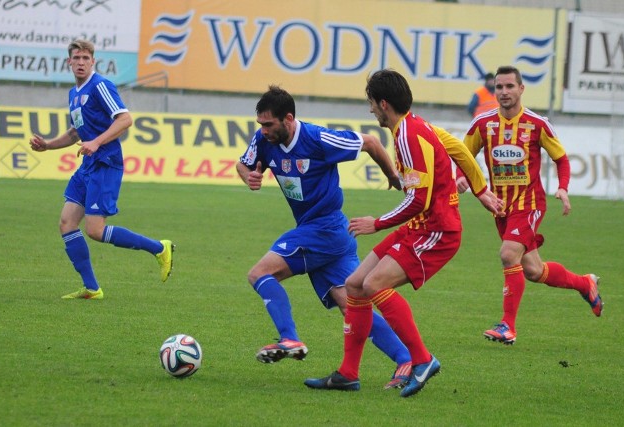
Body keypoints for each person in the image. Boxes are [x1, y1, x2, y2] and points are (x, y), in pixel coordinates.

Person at [304, 69, 502, 397]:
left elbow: (418, 199)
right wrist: (480, 191)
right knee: (354, 284)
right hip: (421, 226)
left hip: (438, 231)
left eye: (371, 103)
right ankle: (348, 374)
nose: (370, 110)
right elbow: (459, 149)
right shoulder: (414, 127)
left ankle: (422, 360)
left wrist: (377, 222)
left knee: (373, 284)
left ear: (384, 103)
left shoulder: (409, 136)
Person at [236, 85, 417, 389]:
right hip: (328, 235)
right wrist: (249, 176)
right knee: (352, 305)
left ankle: (289, 338)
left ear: (288, 119)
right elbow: (243, 163)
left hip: (325, 228)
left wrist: (391, 177)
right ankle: (405, 359)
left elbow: (371, 142)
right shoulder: (263, 140)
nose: (263, 131)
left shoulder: (318, 138)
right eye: (260, 125)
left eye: (269, 124)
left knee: (259, 273)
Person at [456, 65, 602, 345]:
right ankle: (586, 284)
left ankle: (507, 326)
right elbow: (462, 156)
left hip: (530, 203)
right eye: (499, 87)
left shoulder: (537, 123)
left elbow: (561, 158)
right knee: (534, 270)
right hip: (500, 207)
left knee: (508, 254)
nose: (504, 92)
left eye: (510, 86)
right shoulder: (483, 124)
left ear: (521, 89)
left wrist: (562, 187)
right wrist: (460, 176)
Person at [29, 39, 174, 299]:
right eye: (77, 58)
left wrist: (96, 142)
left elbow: (125, 119)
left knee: (95, 230)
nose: (81, 62)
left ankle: (159, 248)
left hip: (106, 163)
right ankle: (92, 288)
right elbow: (76, 132)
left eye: (86, 58)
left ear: (93, 61)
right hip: (88, 164)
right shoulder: (74, 93)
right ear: (69, 62)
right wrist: (48, 145)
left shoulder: (100, 86)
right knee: (66, 223)